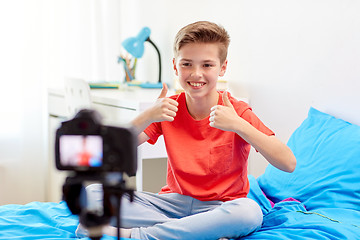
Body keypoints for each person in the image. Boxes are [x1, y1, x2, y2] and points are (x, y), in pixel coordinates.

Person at [78, 21, 296, 240]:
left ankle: (139, 236)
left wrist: (237, 124)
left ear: (223, 67)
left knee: (249, 212)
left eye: (207, 65)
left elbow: (288, 163)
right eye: (187, 64)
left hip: (219, 209)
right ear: (175, 66)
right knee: (93, 194)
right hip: (170, 205)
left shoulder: (236, 111)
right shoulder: (168, 107)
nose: (196, 74)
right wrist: (147, 116)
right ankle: (197, 231)